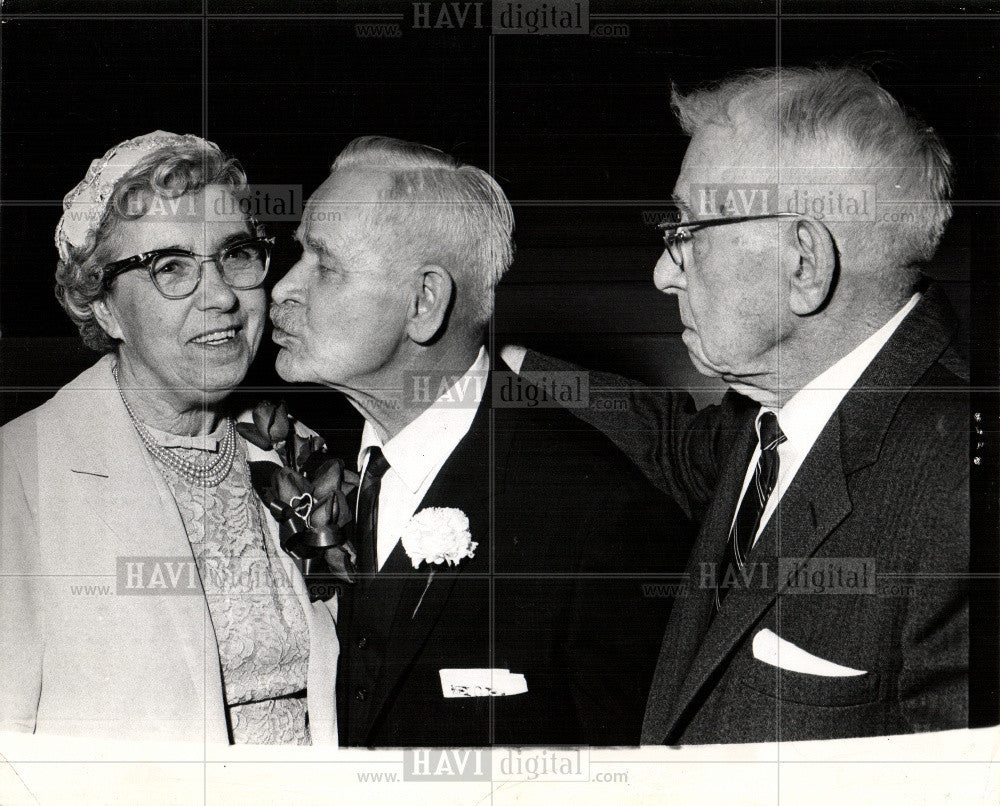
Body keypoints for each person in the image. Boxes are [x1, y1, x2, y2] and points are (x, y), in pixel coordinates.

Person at [502, 66, 969, 743]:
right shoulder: (775, 417)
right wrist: (510, 368)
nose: (664, 272)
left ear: (802, 262)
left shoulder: (959, 487)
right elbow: (669, 440)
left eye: (689, 230)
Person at [269, 136, 694, 746]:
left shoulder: (600, 519)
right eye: (297, 256)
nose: (283, 287)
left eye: (325, 265)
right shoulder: (309, 459)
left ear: (424, 302)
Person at [0, 132, 338, 744]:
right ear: (104, 307)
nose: (222, 297)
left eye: (236, 253)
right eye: (171, 267)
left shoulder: (297, 448)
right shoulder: (22, 476)